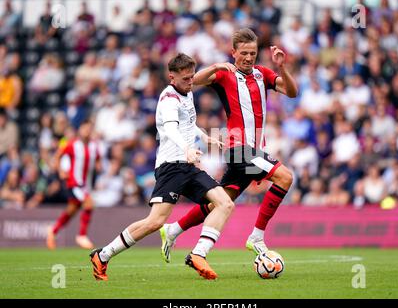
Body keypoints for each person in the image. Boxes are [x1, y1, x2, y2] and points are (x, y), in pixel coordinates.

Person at [89, 53, 234, 281]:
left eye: (192, 77)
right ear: (171, 77)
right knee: (155, 222)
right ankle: (103, 255)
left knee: (225, 203)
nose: (190, 81)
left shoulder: (187, 93)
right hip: (171, 167)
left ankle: (198, 254)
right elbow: (171, 129)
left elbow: (188, 123)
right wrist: (187, 148)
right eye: (185, 78)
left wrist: (205, 137)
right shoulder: (169, 100)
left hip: (188, 166)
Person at [160, 28, 298, 262]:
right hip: (238, 150)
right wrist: (217, 66)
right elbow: (194, 81)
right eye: (244, 52)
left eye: (252, 53)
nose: (248, 57)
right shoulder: (226, 75)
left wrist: (282, 67)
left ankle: (173, 229)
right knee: (285, 177)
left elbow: (291, 92)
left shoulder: (263, 74)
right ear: (233, 52)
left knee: (220, 201)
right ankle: (256, 236)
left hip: (253, 151)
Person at [46, 120, 101, 250]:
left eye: (89, 128)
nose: (86, 131)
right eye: (84, 128)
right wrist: (60, 170)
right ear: (80, 130)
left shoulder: (94, 146)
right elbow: (58, 156)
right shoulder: (72, 145)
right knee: (89, 203)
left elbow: (97, 160)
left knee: (71, 210)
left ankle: (53, 231)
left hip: (86, 184)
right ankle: (81, 235)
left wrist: (98, 167)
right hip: (75, 183)